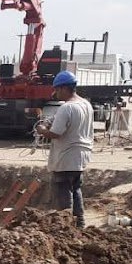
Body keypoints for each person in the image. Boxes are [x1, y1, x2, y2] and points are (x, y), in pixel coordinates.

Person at [35, 71, 93, 228]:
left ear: (64, 88)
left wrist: (42, 130)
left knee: (62, 192)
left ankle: (67, 227)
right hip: (80, 157)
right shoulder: (86, 105)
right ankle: (79, 224)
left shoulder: (66, 108)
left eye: (57, 89)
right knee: (76, 189)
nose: (56, 93)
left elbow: (55, 133)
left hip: (66, 157)